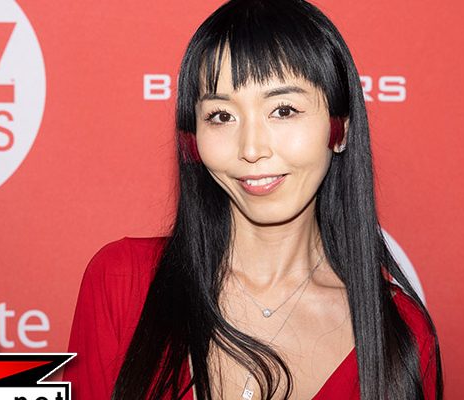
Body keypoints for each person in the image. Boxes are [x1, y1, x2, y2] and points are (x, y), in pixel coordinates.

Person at [62, 0, 444, 399]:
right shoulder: (123, 281)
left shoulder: (400, 335)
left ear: (341, 128)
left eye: (283, 110)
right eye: (222, 116)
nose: (251, 148)